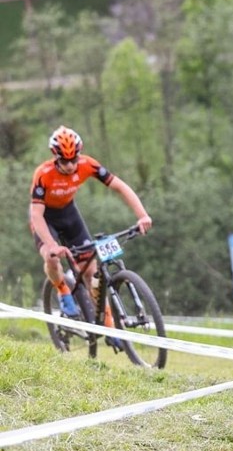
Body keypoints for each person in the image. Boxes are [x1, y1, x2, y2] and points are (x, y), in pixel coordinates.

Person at [29, 126, 153, 342]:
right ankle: (63, 291)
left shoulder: (87, 164)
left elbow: (120, 187)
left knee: (91, 272)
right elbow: (36, 215)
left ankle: (108, 325)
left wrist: (142, 215)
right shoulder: (44, 174)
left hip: (69, 214)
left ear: (79, 155)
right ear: (55, 157)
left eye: (73, 159)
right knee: (51, 257)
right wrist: (51, 245)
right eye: (64, 161)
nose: (70, 165)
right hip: (44, 218)